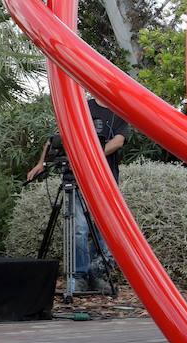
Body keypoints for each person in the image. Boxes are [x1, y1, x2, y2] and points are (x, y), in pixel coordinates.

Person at [26, 93, 128, 294]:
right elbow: (57, 137)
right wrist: (41, 163)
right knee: (79, 228)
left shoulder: (119, 114)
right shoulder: (82, 107)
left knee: (105, 232)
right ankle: (79, 277)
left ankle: (95, 275)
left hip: (105, 182)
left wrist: (88, 154)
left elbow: (117, 142)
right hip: (78, 179)